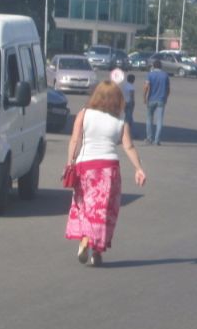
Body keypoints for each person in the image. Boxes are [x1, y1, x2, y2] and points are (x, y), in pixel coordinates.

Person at [65, 81, 147, 266]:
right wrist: (138, 168)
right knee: (104, 211)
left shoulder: (84, 114)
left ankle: (85, 240)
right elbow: (128, 146)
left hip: (85, 167)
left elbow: (74, 140)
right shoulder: (120, 119)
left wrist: (70, 162)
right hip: (109, 169)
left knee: (85, 207)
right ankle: (97, 251)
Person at [143, 58, 170, 145]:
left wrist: (144, 97)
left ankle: (149, 138)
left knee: (149, 119)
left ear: (154, 66)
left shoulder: (150, 75)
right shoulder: (165, 75)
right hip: (161, 99)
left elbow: (146, 87)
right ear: (161, 66)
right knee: (159, 121)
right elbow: (168, 89)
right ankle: (157, 140)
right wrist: (166, 97)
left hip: (151, 99)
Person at [122, 72, 136, 138]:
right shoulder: (131, 87)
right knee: (129, 118)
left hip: (123, 102)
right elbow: (131, 96)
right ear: (132, 80)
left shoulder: (124, 85)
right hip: (129, 102)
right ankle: (128, 132)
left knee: (125, 117)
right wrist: (133, 103)